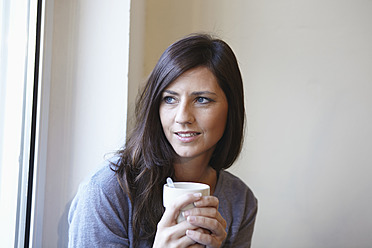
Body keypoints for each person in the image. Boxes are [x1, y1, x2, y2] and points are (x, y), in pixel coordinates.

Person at [68, 33, 258, 248]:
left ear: (231, 108)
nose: (183, 117)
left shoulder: (240, 200)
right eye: (170, 99)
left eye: (202, 99)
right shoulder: (106, 192)